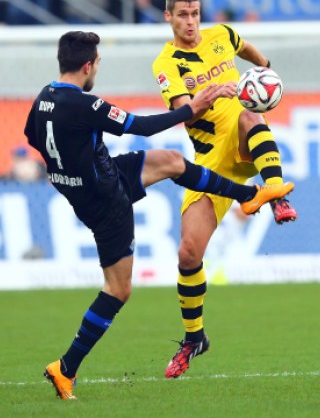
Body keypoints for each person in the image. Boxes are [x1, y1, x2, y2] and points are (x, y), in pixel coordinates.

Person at [24, 31, 293, 399]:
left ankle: (250, 196)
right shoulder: (86, 104)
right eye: (97, 62)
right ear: (87, 66)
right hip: (107, 201)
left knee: (172, 161)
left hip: (100, 175)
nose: (97, 67)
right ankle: (66, 368)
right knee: (118, 290)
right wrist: (190, 109)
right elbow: (141, 126)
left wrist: (67, 171)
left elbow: (32, 137)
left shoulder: (43, 99)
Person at [152, 0, 297, 379]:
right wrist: (214, 92)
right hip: (210, 159)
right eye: (182, 15)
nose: (191, 21)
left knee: (251, 115)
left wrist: (266, 69)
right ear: (169, 17)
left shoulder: (221, 35)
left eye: (195, 13)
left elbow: (246, 48)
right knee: (188, 254)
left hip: (242, 137)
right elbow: (184, 115)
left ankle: (275, 193)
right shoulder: (168, 63)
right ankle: (194, 338)